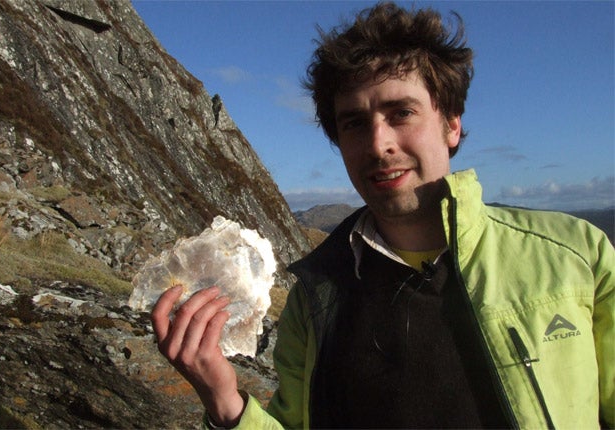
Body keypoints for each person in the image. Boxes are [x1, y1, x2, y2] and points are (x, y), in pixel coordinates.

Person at [151, 2, 614, 428]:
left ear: (451, 123)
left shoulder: (578, 255)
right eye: (354, 123)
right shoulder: (313, 301)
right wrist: (226, 403)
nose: (378, 144)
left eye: (401, 113)